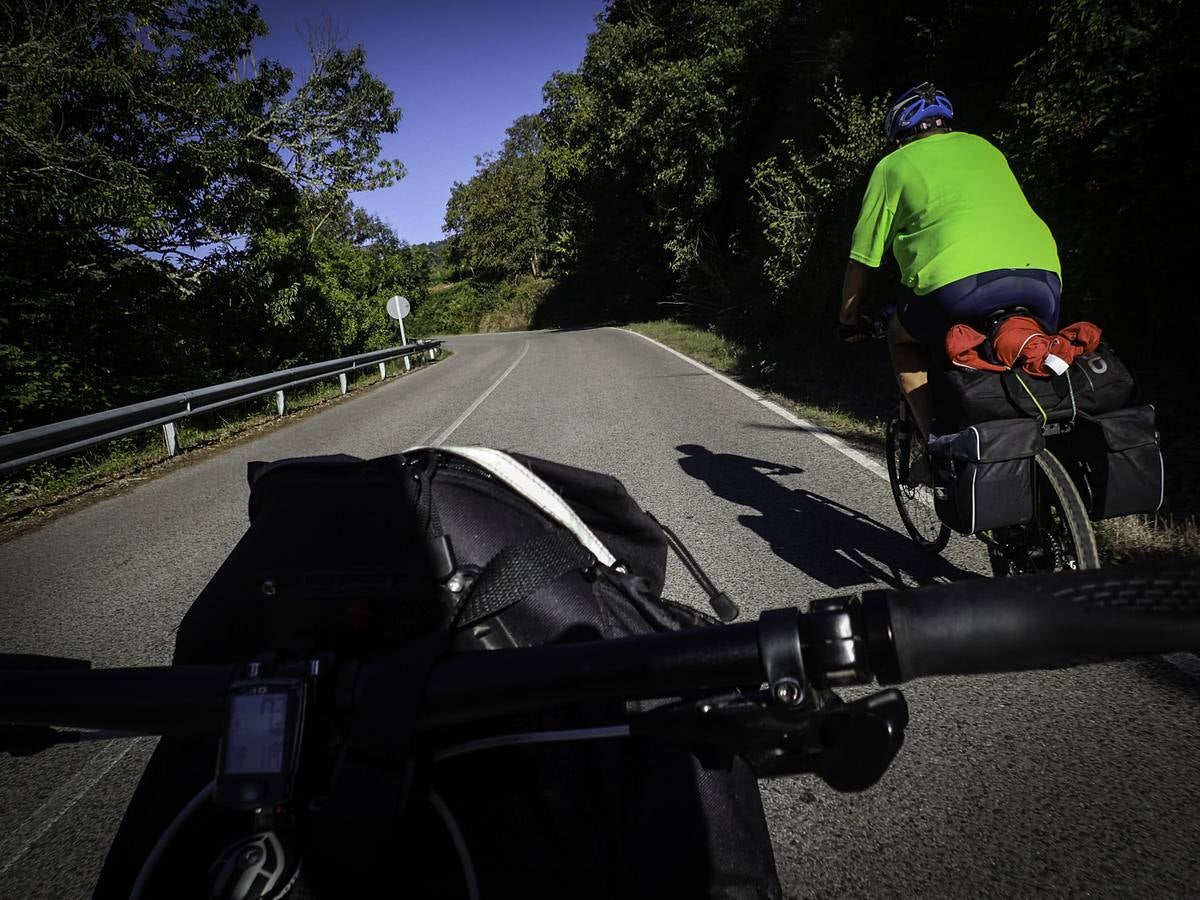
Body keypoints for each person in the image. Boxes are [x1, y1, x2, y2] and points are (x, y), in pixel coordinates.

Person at [837, 82, 1062, 441]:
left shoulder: (892, 166)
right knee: (1024, 349)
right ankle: (1049, 444)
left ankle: (935, 441)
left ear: (899, 135)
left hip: (957, 288)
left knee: (902, 337)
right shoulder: (986, 148)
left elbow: (861, 261)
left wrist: (848, 319)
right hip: (1043, 279)